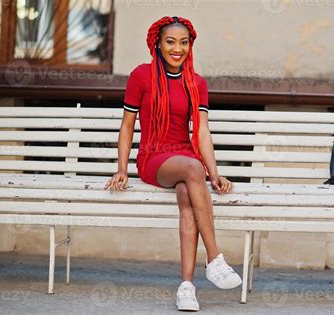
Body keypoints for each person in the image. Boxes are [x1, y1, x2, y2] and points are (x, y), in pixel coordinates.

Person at [104, 16, 242, 311]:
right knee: (194, 169)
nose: (177, 49)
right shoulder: (141, 76)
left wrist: (215, 174)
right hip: (153, 157)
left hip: (183, 157)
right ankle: (215, 258)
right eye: (170, 42)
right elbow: (127, 126)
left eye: (184, 42)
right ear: (157, 43)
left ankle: (187, 287)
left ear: (190, 45)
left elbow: (202, 131)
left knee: (186, 194)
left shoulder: (197, 83)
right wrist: (121, 168)